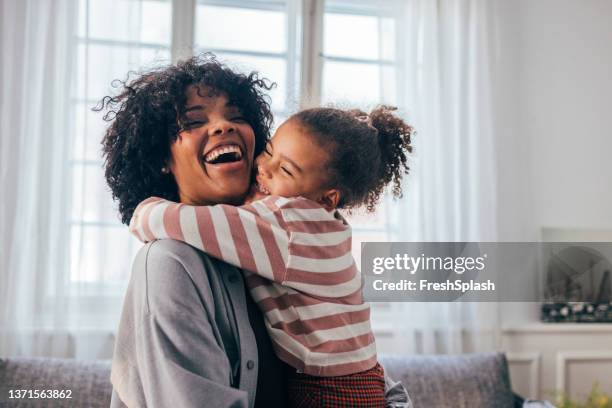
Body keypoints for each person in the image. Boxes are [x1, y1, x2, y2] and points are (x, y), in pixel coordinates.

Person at [128, 104, 414, 407]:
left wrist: (143, 210)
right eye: (268, 151)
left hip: (329, 393)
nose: (263, 168)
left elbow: (171, 221)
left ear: (326, 198)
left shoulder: (289, 225)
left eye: (285, 170)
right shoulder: (318, 226)